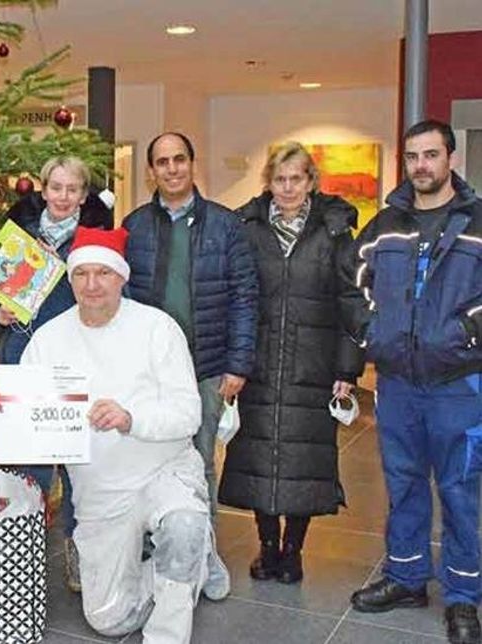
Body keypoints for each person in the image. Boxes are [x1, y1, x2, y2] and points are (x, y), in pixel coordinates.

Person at [0, 226, 223, 643]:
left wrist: (130, 418)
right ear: (70, 278)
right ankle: (189, 564)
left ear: (122, 277)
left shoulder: (157, 329)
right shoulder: (49, 339)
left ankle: (173, 604)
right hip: (101, 491)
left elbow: (188, 414)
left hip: (163, 471)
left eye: (104, 274)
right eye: (82, 274)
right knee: (110, 621)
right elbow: (22, 417)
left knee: (182, 524)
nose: (92, 285)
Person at [346, 120, 482, 644]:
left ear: (450, 158)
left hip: (460, 383)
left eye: (431, 154)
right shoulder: (384, 225)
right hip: (398, 382)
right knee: (402, 484)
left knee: (460, 489)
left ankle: (464, 596)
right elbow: (351, 286)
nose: (421, 165)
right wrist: (371, 331)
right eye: (412, 156)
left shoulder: (475, 221)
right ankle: (405, 577)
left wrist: (464, 331)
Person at [218, 142, 365, 585]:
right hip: (258, 364)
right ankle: (266, 547)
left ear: (310, 182)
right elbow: (234, 295)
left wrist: (347, 370)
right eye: (279, 179)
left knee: (305, 462)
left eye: (295, 179)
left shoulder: (335, 231)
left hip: (313, 366)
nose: (287, 188)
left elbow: (351, 301)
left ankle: (294, 551)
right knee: (259, 457)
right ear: (269, 182)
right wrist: (234, 359)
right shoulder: (245, 227)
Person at [122, 131, 258, 592]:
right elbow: (122, 298)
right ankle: (152, 553)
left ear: (192, 164)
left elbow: (244, 296)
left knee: (198, 464)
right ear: (151, 171)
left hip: (205, 367)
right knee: (143, 458)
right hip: (146, 371)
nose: (172, 168)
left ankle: (203, 559)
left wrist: (237, 365)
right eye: (162, 162)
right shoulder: (135, 225)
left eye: (179, 159)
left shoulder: (225, 225)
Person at [0, 156, 112, 592]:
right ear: (43, 189)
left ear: (84, 195)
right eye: (56, 188)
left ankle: (77, 553)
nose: (63, 197)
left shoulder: (94, 243)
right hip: (22, 362)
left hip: (73, 368)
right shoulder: (17, 238)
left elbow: (107, 299)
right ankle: (24, 556)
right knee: (28, 469)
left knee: (76, 468)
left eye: (73, 189)